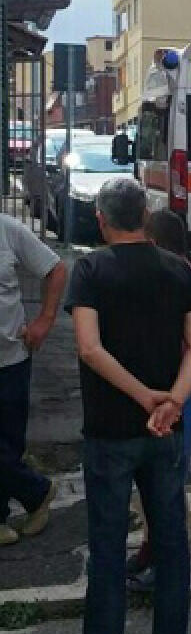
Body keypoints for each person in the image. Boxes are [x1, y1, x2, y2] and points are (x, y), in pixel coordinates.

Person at [54, 180, 191, 634]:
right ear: (145, 214)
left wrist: (144, 396)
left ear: (101, 220)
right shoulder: (179, 270)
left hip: (110, 431)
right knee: (170, 538)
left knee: (107, 544)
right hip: (164, 430)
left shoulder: (91, 271)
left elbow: (89, 349)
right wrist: (172, 402)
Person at [126, 209, 191, 592]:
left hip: (176, 395)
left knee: (168, 485)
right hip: (177, 393)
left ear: (154, 243)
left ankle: (167, 564)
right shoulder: (187, 276)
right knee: (158, 482)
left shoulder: (178, 280)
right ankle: (152, 549)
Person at [0, 212, 67, 546]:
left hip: (9, 359)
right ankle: (33, 494)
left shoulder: (8, 230)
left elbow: (55, 269)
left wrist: (45, 319)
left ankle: (35, 495)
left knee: (7, 446)